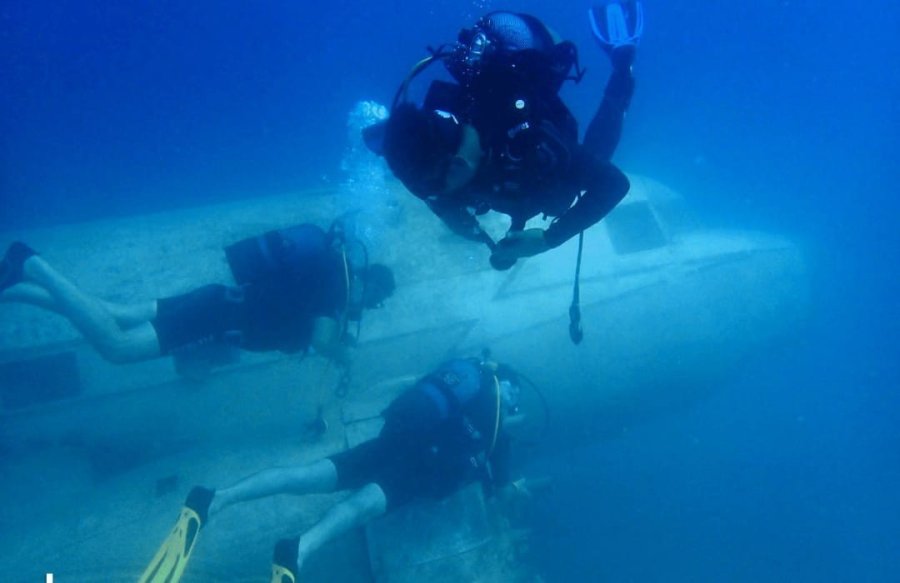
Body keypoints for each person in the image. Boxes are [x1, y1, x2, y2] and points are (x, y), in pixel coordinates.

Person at [137, 357, 523, 583]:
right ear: (508, 393)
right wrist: (518, 489)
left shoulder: (463, 381)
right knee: (361, 506)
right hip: (417, 471)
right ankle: (297, 550)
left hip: (390, 443)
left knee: (307, 475)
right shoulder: (498, 435)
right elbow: (503, 493)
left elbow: (407, 388)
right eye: (515, 399)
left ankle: (214, 499)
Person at [366, 1, 644, 270]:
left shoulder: (529, 141)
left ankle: (623, 61)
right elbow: (430, 190)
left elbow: (614, 184)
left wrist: (549, 239)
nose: (435, 195)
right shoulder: (423, 166)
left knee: (594, 159)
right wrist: (454, 217)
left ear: (458, 163)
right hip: (506, 180)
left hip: (545, 168)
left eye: (437, 187)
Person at [0, 219, 395, 373]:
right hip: (215, 317)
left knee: (115, 313)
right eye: (373, 302)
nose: (365, 308)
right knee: (118, 348)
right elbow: (323, 342)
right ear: (369, 286)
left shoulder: (328, 271)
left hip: (219, 301)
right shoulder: (335, 283)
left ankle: (15, 288)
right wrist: (344, 356)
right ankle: (31, 264)